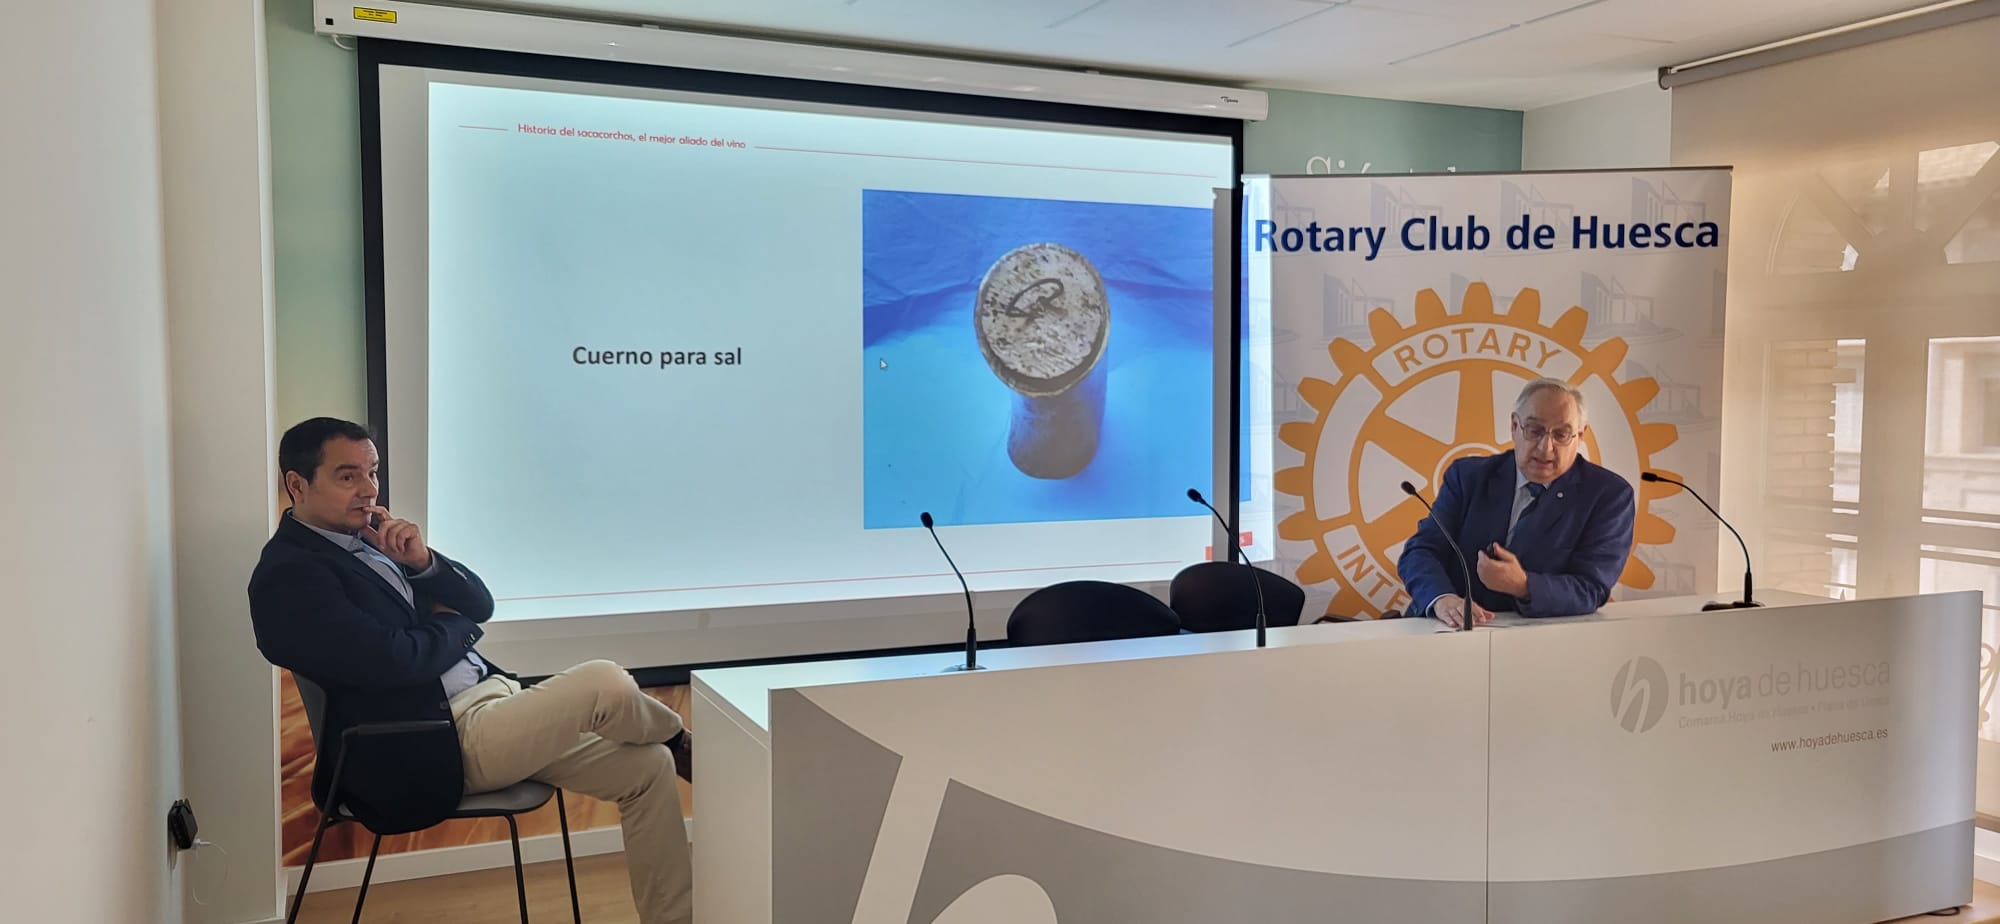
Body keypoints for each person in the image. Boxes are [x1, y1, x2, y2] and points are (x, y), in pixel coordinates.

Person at [248, 417, 692, 924]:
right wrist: (455, 627)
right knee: (604, 681)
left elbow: (478, 604)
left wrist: (423, 562)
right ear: (297, 484)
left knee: (647, 769)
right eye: (348, 476)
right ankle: (682, 741)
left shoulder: (372, 541)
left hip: (492, 706)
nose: (369, 490)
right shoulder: (289, 575)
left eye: (373, 472)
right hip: (432, 741)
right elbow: (397, 660)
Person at [1397, 378, 1635, 626]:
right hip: (1446, 629)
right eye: (1534, 430)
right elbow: (1421, 550)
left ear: (1580, 435)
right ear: (1514, 426)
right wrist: (1442, 599)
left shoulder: (1608, 495)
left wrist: (1523, 585)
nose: (1546, 448)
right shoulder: (1468, 477)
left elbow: (1591, 588)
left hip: (1535, 642)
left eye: (1561, 434)